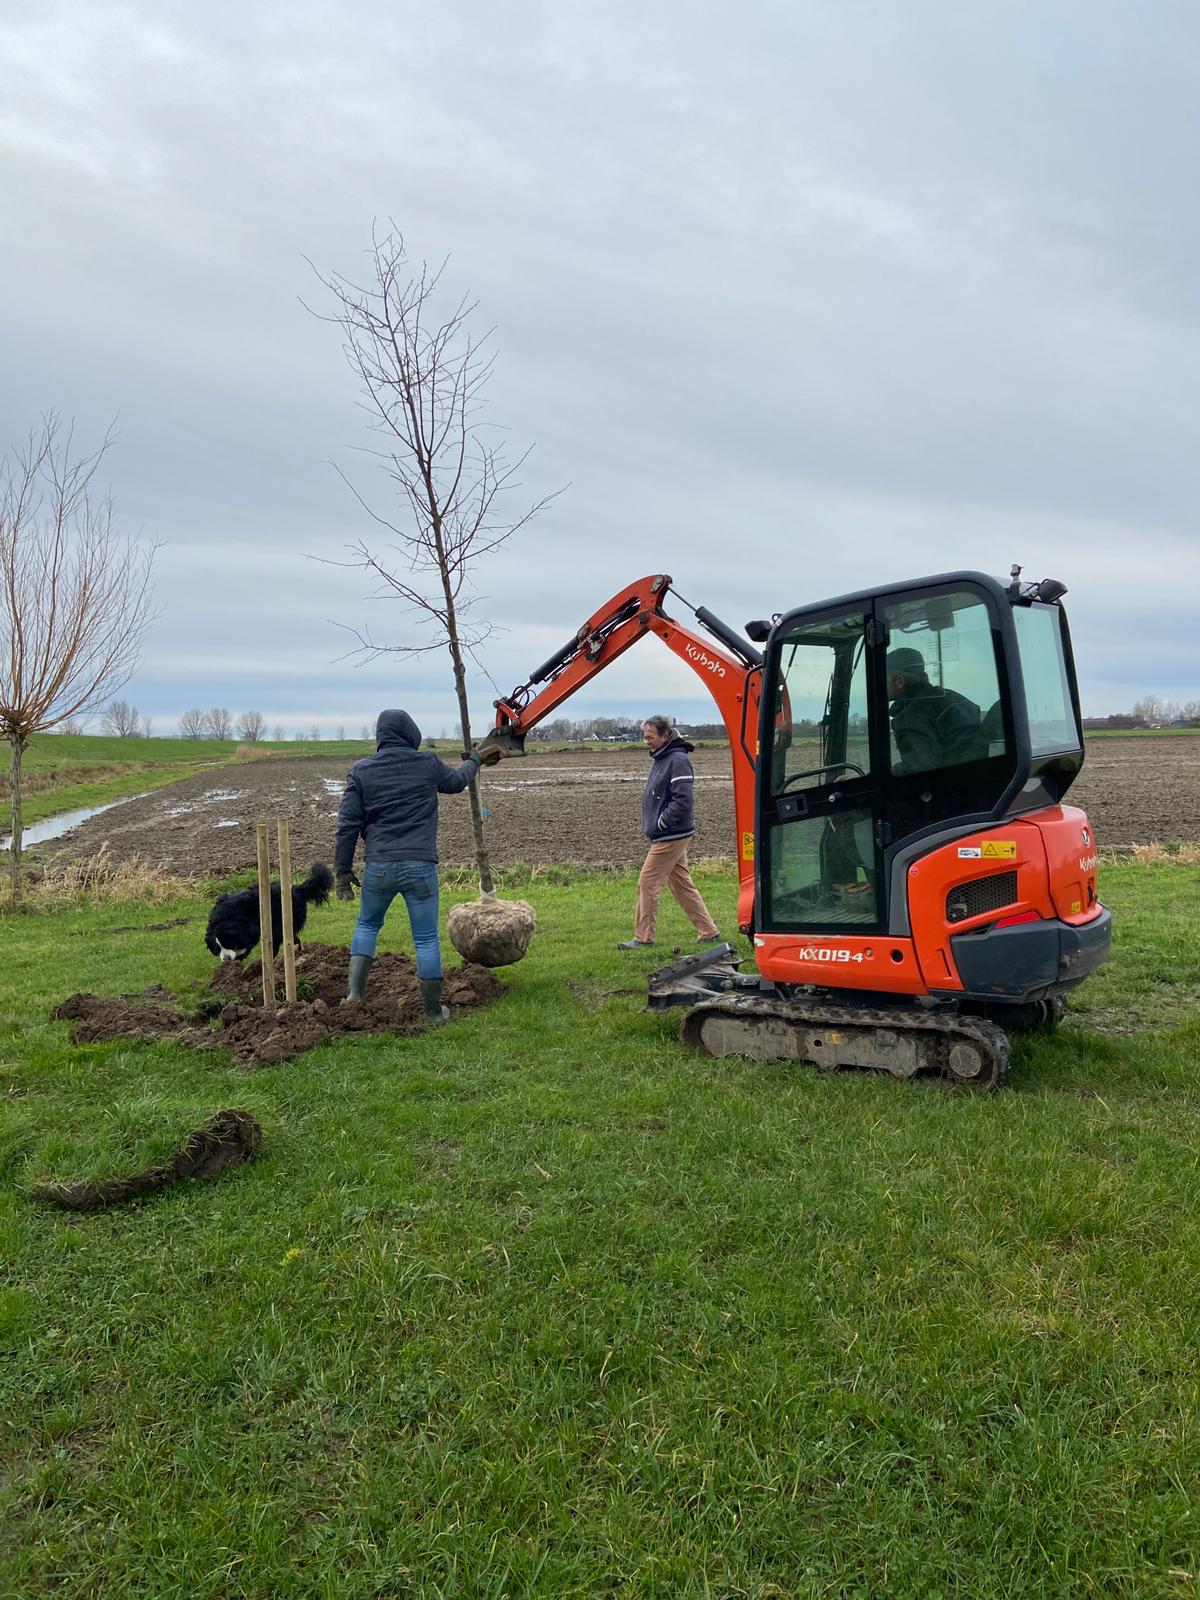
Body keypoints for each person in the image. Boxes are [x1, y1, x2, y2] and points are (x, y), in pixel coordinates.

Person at [334, 709, 493, 1023]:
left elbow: (347, 826)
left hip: (378, 867)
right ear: (411, 733)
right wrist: (474, 760)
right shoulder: (427, 763)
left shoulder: (361, 771)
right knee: (426, 939)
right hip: (420, 865)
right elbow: (456, 782)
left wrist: (342, 872)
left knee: (367, 926)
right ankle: (434, 1013)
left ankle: (353, 996)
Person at [618, 716, 721, 950]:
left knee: (647, 883)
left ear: (665, 735)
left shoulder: (677, 759)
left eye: (650, 737)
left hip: (671, 835)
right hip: (668, 833)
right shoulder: (662, 757)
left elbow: (682, 801)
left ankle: (643, 939)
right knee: (681, 885)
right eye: (644, 737)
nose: (647, 741)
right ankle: (709, 932)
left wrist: (661, 823)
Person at [886, 648, 984, 775]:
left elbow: (918, 770)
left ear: (899, 681)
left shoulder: (911, 717)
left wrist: (884, 776)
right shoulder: (952, 697)